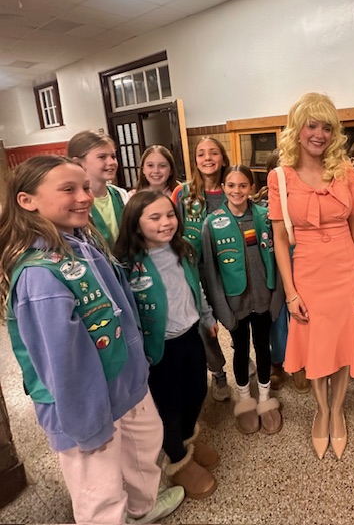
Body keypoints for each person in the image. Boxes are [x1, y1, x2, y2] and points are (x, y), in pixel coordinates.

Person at [0, 156, 184, 525]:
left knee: (142, 450)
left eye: (85, 187)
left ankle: (142, 508)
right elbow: (61, 363)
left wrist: (137, 368)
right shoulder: (40, 276)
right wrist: (87, 425)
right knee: (99, 489)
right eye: (68, 189)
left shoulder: (82, 241)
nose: (85, 197)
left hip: (125, 383)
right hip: (84, 406)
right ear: (27, 200)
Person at [268, 93, 354, 459]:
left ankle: (338, 408)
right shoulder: (279, 177)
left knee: (343, 343)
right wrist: (290, 292)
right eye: (311, 126)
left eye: (326, 127)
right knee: (316, 343)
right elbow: (279, 239)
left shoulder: (344, 170)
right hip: (308, 272)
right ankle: (322, 409)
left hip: (346, 269)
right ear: (297, 129)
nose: (319, 134)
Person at [113, 191, 219, 499]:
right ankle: (177, 458)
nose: (166, 223)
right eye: (155, 217)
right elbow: (126, 312)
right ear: (135, 223)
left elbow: (196, 287)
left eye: (170, 215)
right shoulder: (127, 265)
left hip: (190, 335)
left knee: (197, 392)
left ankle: (187, 438)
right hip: (158, 349)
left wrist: (207, 317)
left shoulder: (182, 249)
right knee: (170, 407)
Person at [202, 165, 285, 435]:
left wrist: (277, 298)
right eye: (230, 185)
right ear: (223, 188)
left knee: (263, 347)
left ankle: (265, 398)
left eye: (242, 185)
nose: (236, 191)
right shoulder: (212, 223)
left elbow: (278, 260)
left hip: (264, 299)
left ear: (251, 187)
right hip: (234, 305)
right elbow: (211, 273)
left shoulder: (265, 217)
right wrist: (222, 310)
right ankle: (245, 399)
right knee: (240, 349)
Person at [172, 136, 231, 401]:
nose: (207, 158)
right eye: (201, 154)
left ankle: (242, 354)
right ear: (195, 161)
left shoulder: (232, 188)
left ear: (223, 158)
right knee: (205, 326)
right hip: (194, 269)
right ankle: (218, 372)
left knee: (234, 317)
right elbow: (173, 229)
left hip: (227, 269)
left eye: (214, 153)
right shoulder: (183, 193)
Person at [253, 150, 297, 393]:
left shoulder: (303, 200)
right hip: (273, 269)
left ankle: (301, 363)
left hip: (301, 267)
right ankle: (277, 362)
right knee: (277, 319)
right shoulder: (261, 207)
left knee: (301, 317)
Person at [68, 130, 129, 247]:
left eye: (113, 156)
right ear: (78, 163)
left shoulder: (121, 195)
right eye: (102, 157)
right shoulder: (75, 204)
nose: (111, 162)